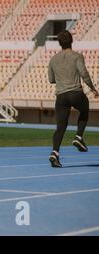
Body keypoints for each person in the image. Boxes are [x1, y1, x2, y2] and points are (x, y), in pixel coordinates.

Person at [48, 30, 99, 168]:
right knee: (85, 108)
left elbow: (51, 80)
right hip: (75, 93)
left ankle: (54, 153)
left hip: (61, 96)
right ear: (71, 41)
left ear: (59, 43)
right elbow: (83, 73)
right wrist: (93, 88)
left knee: (60, 127)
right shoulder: (77, 56)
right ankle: (78, 136)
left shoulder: (53, 60)